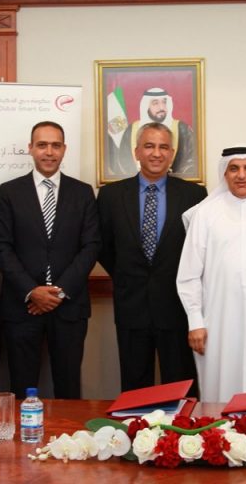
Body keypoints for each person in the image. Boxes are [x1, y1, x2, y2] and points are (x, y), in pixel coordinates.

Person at [98, 122, 207, 395]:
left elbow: (200, 251)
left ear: (172, 154)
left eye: (163, 147)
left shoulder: (194, 195)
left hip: (176, 306)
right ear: (136, 151)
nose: (156, 153)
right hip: (131, 305)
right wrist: (125, 275)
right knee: (135, 388)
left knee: (181, 386)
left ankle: (182, 426)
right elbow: (103, 246)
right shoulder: (111, 195)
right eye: (149, 146)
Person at [0, 121, 100, 399]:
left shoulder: (83, 193)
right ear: (30, 148)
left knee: (68, 388)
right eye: (42, 145)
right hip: (23, 307)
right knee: (22, 387)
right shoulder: (10, 192)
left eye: (55, 145)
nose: (49, 152)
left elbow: (91, 247)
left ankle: (69, 433)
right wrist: (33, 291)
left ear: (64, 149)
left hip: (69, 307)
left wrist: (58, 293)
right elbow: (2, 247)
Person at [176, 145, 246, 402]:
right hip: (219, 322)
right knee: (222, 390)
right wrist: (196, 321)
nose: (241, 175)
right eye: (234, 168)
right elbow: (189, 274)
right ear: (225, 174)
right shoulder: (206, 214)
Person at [112, 87, 199, 178]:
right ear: (146, 106)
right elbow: (123, 162)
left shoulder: (181, 128)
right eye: (155, 103)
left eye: (164, 102)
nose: (161, 107)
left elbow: (190, 161)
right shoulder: (132, 129)